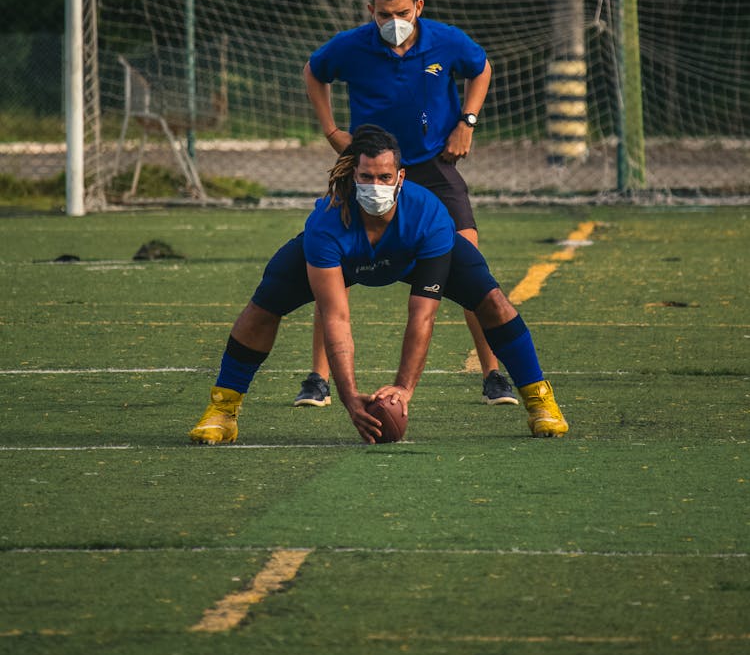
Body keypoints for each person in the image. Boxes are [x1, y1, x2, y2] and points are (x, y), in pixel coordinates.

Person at [189, 125, 568, 445]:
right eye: (367, 177)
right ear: (353, 175)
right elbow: (335, 318)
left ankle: (538, 399)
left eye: (385, 177)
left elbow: (422, 316)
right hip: (347, 257)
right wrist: (349, 397)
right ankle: (223, 409)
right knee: (260, 310)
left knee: (493, 301)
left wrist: (404, 389)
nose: (376, 185)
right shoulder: (326, 220)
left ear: (400, 177)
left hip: (413, 252)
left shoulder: (430, 215)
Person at [295, 0, 517, 411]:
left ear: (417, 7)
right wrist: (331, 130)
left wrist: (466, 123)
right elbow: (313, 72)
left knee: (470, 261)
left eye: (400, 12)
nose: (391, 22)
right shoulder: (352, 46)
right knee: (332, 266)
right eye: (381, 14)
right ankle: (318, 379)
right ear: (369, 11)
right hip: (369, 165)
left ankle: (494, 374)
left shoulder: (447, 40)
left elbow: (482, 68)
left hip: (432, 164)